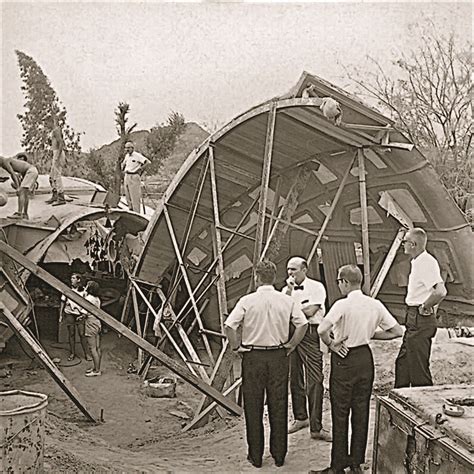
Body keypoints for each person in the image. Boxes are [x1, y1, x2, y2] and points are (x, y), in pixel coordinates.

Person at [317, 264, 403, 474]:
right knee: (361, 411)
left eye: (339, 281)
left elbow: (322, 329)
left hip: (344, 357)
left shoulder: (342, 304)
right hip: (365, 358)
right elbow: (396, 331)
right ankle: (356, 464)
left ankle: (338, 466)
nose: (339, 285)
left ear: (345, 282)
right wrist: (369, 334)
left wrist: (332, 344)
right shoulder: (374, 304)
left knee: (340, 413)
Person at [225, 260, 308, 469]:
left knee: (253, 406)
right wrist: (291, 345)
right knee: (278, 404)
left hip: (253, 357)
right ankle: (279, 455)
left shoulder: (247, 300)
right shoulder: (286, 301)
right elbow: (303, 324)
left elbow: (230, 326)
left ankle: (256, 456)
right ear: (274, 277)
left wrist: (236, 347)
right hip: (279, 356)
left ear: (256, 277)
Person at [283, 257, 330, 441]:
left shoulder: (317, 287)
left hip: (311, 334)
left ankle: (316, 427)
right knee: (294, 376)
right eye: (288, 269)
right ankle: (300, 417)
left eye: (294, 269)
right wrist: (288, 291)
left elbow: (311, 312)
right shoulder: (285, 290)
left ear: (304, 269)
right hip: (292, 331)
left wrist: (292, 311)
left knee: (315, 379)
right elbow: (283, 309)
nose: (290, 273)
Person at [394, 227, 447, 388]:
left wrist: (426, 306)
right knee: (403, 363)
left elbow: (440, 291)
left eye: (405, 242)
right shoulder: (418, 262)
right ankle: (400, 401)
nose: (403, 245)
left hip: (420, 317)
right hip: (413, 317)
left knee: (418, 369)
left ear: (413, 244)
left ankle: (425, 406)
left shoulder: (426, 262)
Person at [59, 273, 91, 362]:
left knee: (82, 334)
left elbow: (86, 304)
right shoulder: (67, 290)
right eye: (71, 278)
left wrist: (83, 314)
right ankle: (72, 353)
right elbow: (62, 302)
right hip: (69, 313)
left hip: (79, 314)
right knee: (71, 334)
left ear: (78, 280)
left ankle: (86, 354)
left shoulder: (84, 291)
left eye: (73, 278)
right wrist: (61, 315)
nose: (71, 280)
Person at [0, 154, 38, 219]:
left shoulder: (5, 161)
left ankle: (19, 214)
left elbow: (13, 174)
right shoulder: (7, 162)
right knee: (25, 194)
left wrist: (18, 187)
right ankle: (25, 214)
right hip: (32, 171)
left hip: (31, 171)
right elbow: (17, 174)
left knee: (21, 191)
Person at [79, 281, 102, 377]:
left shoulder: (89, 298)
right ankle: (96, 367)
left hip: (90, 322)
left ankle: (97, 371)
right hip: (97, 322)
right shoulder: (97, 299)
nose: (85, 286)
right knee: (97, 348)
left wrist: (81, 317)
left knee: (92, 348)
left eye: (87, 285)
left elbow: (84, 311)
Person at [121, 141, 150, 213]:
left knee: (135, 197)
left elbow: (147, 162)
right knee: (128, 197)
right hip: (127, 176)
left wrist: (139, 169)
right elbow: (124, 164)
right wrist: (123, 168)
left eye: (128, 148)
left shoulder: (137, 155)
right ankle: (131, 212)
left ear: (132, 148)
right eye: (126, 148)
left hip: (134, 176)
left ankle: (136, 213)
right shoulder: (127, 156)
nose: (127, 149)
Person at [45, 112, 67, 206]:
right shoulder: (54, 131)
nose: (46, 125)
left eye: (47, 123)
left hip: (58, 152)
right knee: (52, 176)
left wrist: (57, 156)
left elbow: (61, 143)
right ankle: (55, 195)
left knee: (57, 176)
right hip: (55, 152)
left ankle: (61, 198)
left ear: (51, 122)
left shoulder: (56, 130)